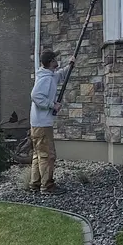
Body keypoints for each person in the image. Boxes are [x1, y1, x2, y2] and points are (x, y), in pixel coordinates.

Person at [29, 49, 75, 195]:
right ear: (50, 62)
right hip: (42, 124)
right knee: (47, 155)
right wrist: (52, 105)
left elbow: (59, 75)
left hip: (37, 123)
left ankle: (35, 183)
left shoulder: (48, 75)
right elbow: (35, 95)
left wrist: (70, 66)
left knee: (39, 154)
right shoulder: (46, 79)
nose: (57, 61)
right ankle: (47, 186)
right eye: (55, 59)